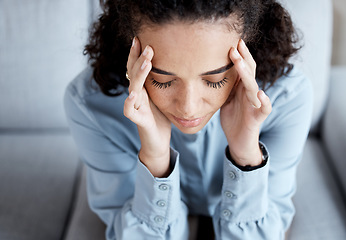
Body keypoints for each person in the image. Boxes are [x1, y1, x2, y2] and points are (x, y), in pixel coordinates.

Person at [64, 0, 313, 239]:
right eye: (163, 80)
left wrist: (246, 156)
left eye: (215, 80)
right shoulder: (90, 105)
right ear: (133, 52)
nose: (188, 108)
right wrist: (156, 159)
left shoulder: (287, 97)